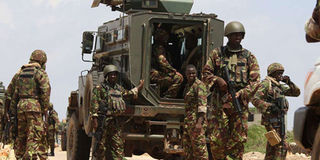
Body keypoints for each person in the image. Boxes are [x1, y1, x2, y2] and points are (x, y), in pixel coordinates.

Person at [202, 21, 260, 159]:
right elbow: (205, 74)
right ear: (228, 36)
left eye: (240, 35)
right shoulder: (217, 54)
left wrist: (240, 94)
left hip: (239, 105)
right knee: (217, 140)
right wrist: (217, 80)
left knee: (238, 140)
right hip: (219, 104)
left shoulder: (249, 57)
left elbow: (255, 82)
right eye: (234, 35)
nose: (237, 37)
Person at [90, 64, 144, 160]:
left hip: (116, 122)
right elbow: (94, 103)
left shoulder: (118, 88)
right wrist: (94, 118)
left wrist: (138, 87)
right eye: (111, 75)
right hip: (104, 122)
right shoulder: (100, 88)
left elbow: (128, 94)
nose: (113, 76)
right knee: (100, 147)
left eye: (115, 74)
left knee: (118, 146)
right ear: (107, 76)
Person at [252, 63, 300, 160]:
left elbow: (296, 93)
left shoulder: (279, 86)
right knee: (280, 146)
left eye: (281, 73)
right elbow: (255, 99)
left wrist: (289, 82)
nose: (280, 75)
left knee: (273, 147)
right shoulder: (266, 84)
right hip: (271, 120)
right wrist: (270, 106)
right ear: (272, 73)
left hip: (280, 119)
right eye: (278, 73)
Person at [10, 49, 51, 160]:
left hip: (20, 107)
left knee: (21, 135)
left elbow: (14, 93)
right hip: (34, 107)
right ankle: (29, 156)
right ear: (42, 61)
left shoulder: (20, 73)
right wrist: (44, 108)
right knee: (34, 136)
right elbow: (45, 91)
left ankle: (19, 156)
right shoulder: (40, 73)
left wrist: (12, 111)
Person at [182, 64, 208, 160]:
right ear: (186, 74)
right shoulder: (188, 86)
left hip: (196, 122)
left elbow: (202, 106)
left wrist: (199, 123)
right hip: (188, 122)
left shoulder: (199, 85)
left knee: (200, 150)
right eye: (189, 73)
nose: (191, 75)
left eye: (193, 73)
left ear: (196, 73)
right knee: (188, 150)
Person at [150, 28, 183, 98]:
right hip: (154, 75)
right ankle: (168, 97)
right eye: (164, 36)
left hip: (155, 73)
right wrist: (173, 72)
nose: (166, 38)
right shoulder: (159, 48)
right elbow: (162, 62)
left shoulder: (157, 47)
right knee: (178, 78)